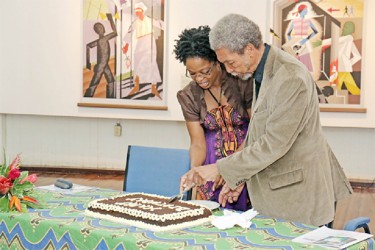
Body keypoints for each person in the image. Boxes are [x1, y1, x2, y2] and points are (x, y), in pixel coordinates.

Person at [180, 14, 353, 227]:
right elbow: (257, 130)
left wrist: (221, 169)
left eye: (230, 62)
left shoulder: (289, 77)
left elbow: (274, 143)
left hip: (299, 195)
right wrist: (239, 178)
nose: (228, 70)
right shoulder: (262, 71)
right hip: (278, 190)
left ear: (250, 50)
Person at [174, 26, 253, 211]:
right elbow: (197, 143)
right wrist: (195, 170)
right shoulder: (189, 96)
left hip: (245, 158)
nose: (199, 79)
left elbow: (255, 129)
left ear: (218, 61)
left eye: (205, 71)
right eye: (192, 73)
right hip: (210, 163)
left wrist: (230, 168)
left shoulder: (243, 83)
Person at [122, 2, 164, 99]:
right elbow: (129, 33)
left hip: (150, 42)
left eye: (139, 11)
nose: (138, 13)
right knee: (137, 63)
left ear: (143, 11)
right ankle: (136, 86)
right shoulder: (135, 22)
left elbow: (161, 24)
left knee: (152, 64)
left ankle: (154, 88)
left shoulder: (149, 20)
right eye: (136, 12)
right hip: (140, 43)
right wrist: (126, 46)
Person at [84, 13, 117, 98]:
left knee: (111, 81)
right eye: (100, 28)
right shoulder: (103, 39)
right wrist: (110, 19)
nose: (102, 29)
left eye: (101, 27)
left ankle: (110, 98)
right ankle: (87, 97)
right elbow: (115, 32)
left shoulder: (100, 40)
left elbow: (88, 46)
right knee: (94, 83)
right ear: (98, 31)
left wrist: (88, 62)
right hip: (101, 66)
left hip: (104, 65)